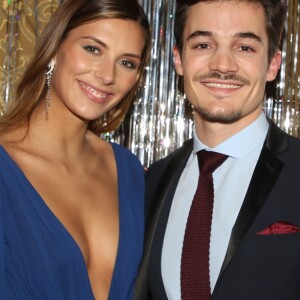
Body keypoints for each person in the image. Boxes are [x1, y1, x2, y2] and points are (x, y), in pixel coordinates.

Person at [134, 0, 300, 299]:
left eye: (244, 47)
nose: (222, 65)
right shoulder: (152, 181)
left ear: (273, 64)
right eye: (203, 45)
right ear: (179, 59)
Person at [0, 0, 150, 299]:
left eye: (126, 62)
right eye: (93, 49)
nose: (108, 75)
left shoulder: (127, 170)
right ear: (55, 48)